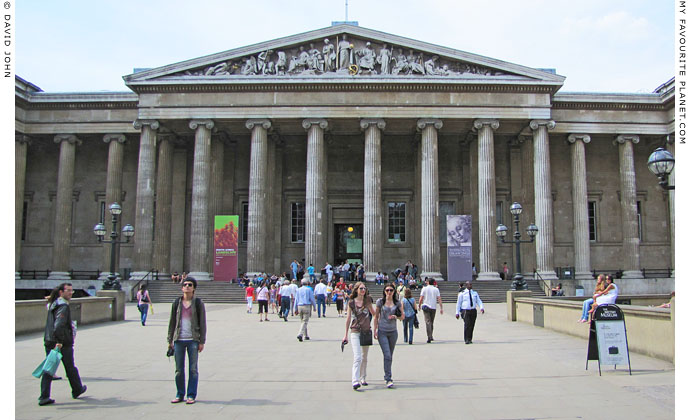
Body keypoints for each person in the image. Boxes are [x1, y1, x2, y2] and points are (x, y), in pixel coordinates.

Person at [38, 283, 87, 406]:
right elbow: (59, 325)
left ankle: (44, 396)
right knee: (69, 367)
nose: (70, 293)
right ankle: (76, 389)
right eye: (68, 291)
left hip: (49, 340)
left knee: (49, 368)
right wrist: (59, 341)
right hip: (61, 343)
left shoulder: (53, 304)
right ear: (61, 292)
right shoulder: (62, 306)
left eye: (72, 290)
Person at [168, 277, 207, 404]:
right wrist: (170, 339)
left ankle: (191, 395)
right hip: (179, 339)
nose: (187, 286)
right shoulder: (176, 303)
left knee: (193, 369)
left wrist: (202, 341)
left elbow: (203, 323)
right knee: (179, 369)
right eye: (185, 285)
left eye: (190, 285)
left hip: (193, 340)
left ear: (194, 288)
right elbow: (172, 322)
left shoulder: (198, 303)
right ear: (181, 288)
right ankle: (180, 394)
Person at [343, 281, 375, 390]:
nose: (363, 290)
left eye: (364, 288)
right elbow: (348, 319)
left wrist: (376, 328)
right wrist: (345, 335)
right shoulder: (351, 302)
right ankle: (355, 380)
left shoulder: (367, 300)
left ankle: (363, 377)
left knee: (364, 357)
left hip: (366, 331)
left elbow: (374, 314)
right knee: (357, 357)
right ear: (356, 290)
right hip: (355, 331)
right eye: (361, 288)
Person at [374, 283, 404, 388]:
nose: (389, 292)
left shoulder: (397, 302)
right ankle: (388, 378)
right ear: (384, 291)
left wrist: (396, 316)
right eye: (387, 290)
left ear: (394, 291)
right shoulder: (380, 302)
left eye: (391, 290)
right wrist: (375, 330)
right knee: (387, 355)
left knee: (389, 356)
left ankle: (387, 374)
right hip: (382, 331)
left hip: (393, 332)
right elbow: (376, 316)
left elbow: (403, 316)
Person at [418, 278, 443, 343]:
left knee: (428, 322)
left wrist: (419, 305)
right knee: (431, 321)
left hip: (426, 306)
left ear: (428, 282)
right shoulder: (436, 289)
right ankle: (431, 335)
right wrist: (441, 308)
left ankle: (429, 336)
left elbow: (421, 298)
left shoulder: (424, 288)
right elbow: (439, 299)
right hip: (433, 307)